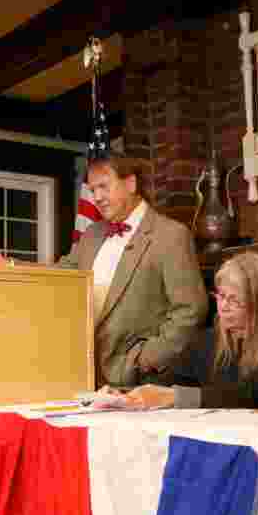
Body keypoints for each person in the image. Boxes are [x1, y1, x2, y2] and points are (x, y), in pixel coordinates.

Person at [59, 156, 208, 387]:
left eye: (103, 186)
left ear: (131, 184)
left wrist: (145, 360)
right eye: (92, 189)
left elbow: (190, 310)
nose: (96, 197)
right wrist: (3, 263)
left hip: (141, 383)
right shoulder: (91, 235)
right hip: (84, 378)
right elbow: (55, 277)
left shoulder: (170, 235)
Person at [115, 250, 258, 410]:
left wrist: (175, 397)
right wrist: (123, 394)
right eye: (221, 296)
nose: (224, 306)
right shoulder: (205, 341)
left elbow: (247, 398)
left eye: (234, 299)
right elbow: (168, 380)